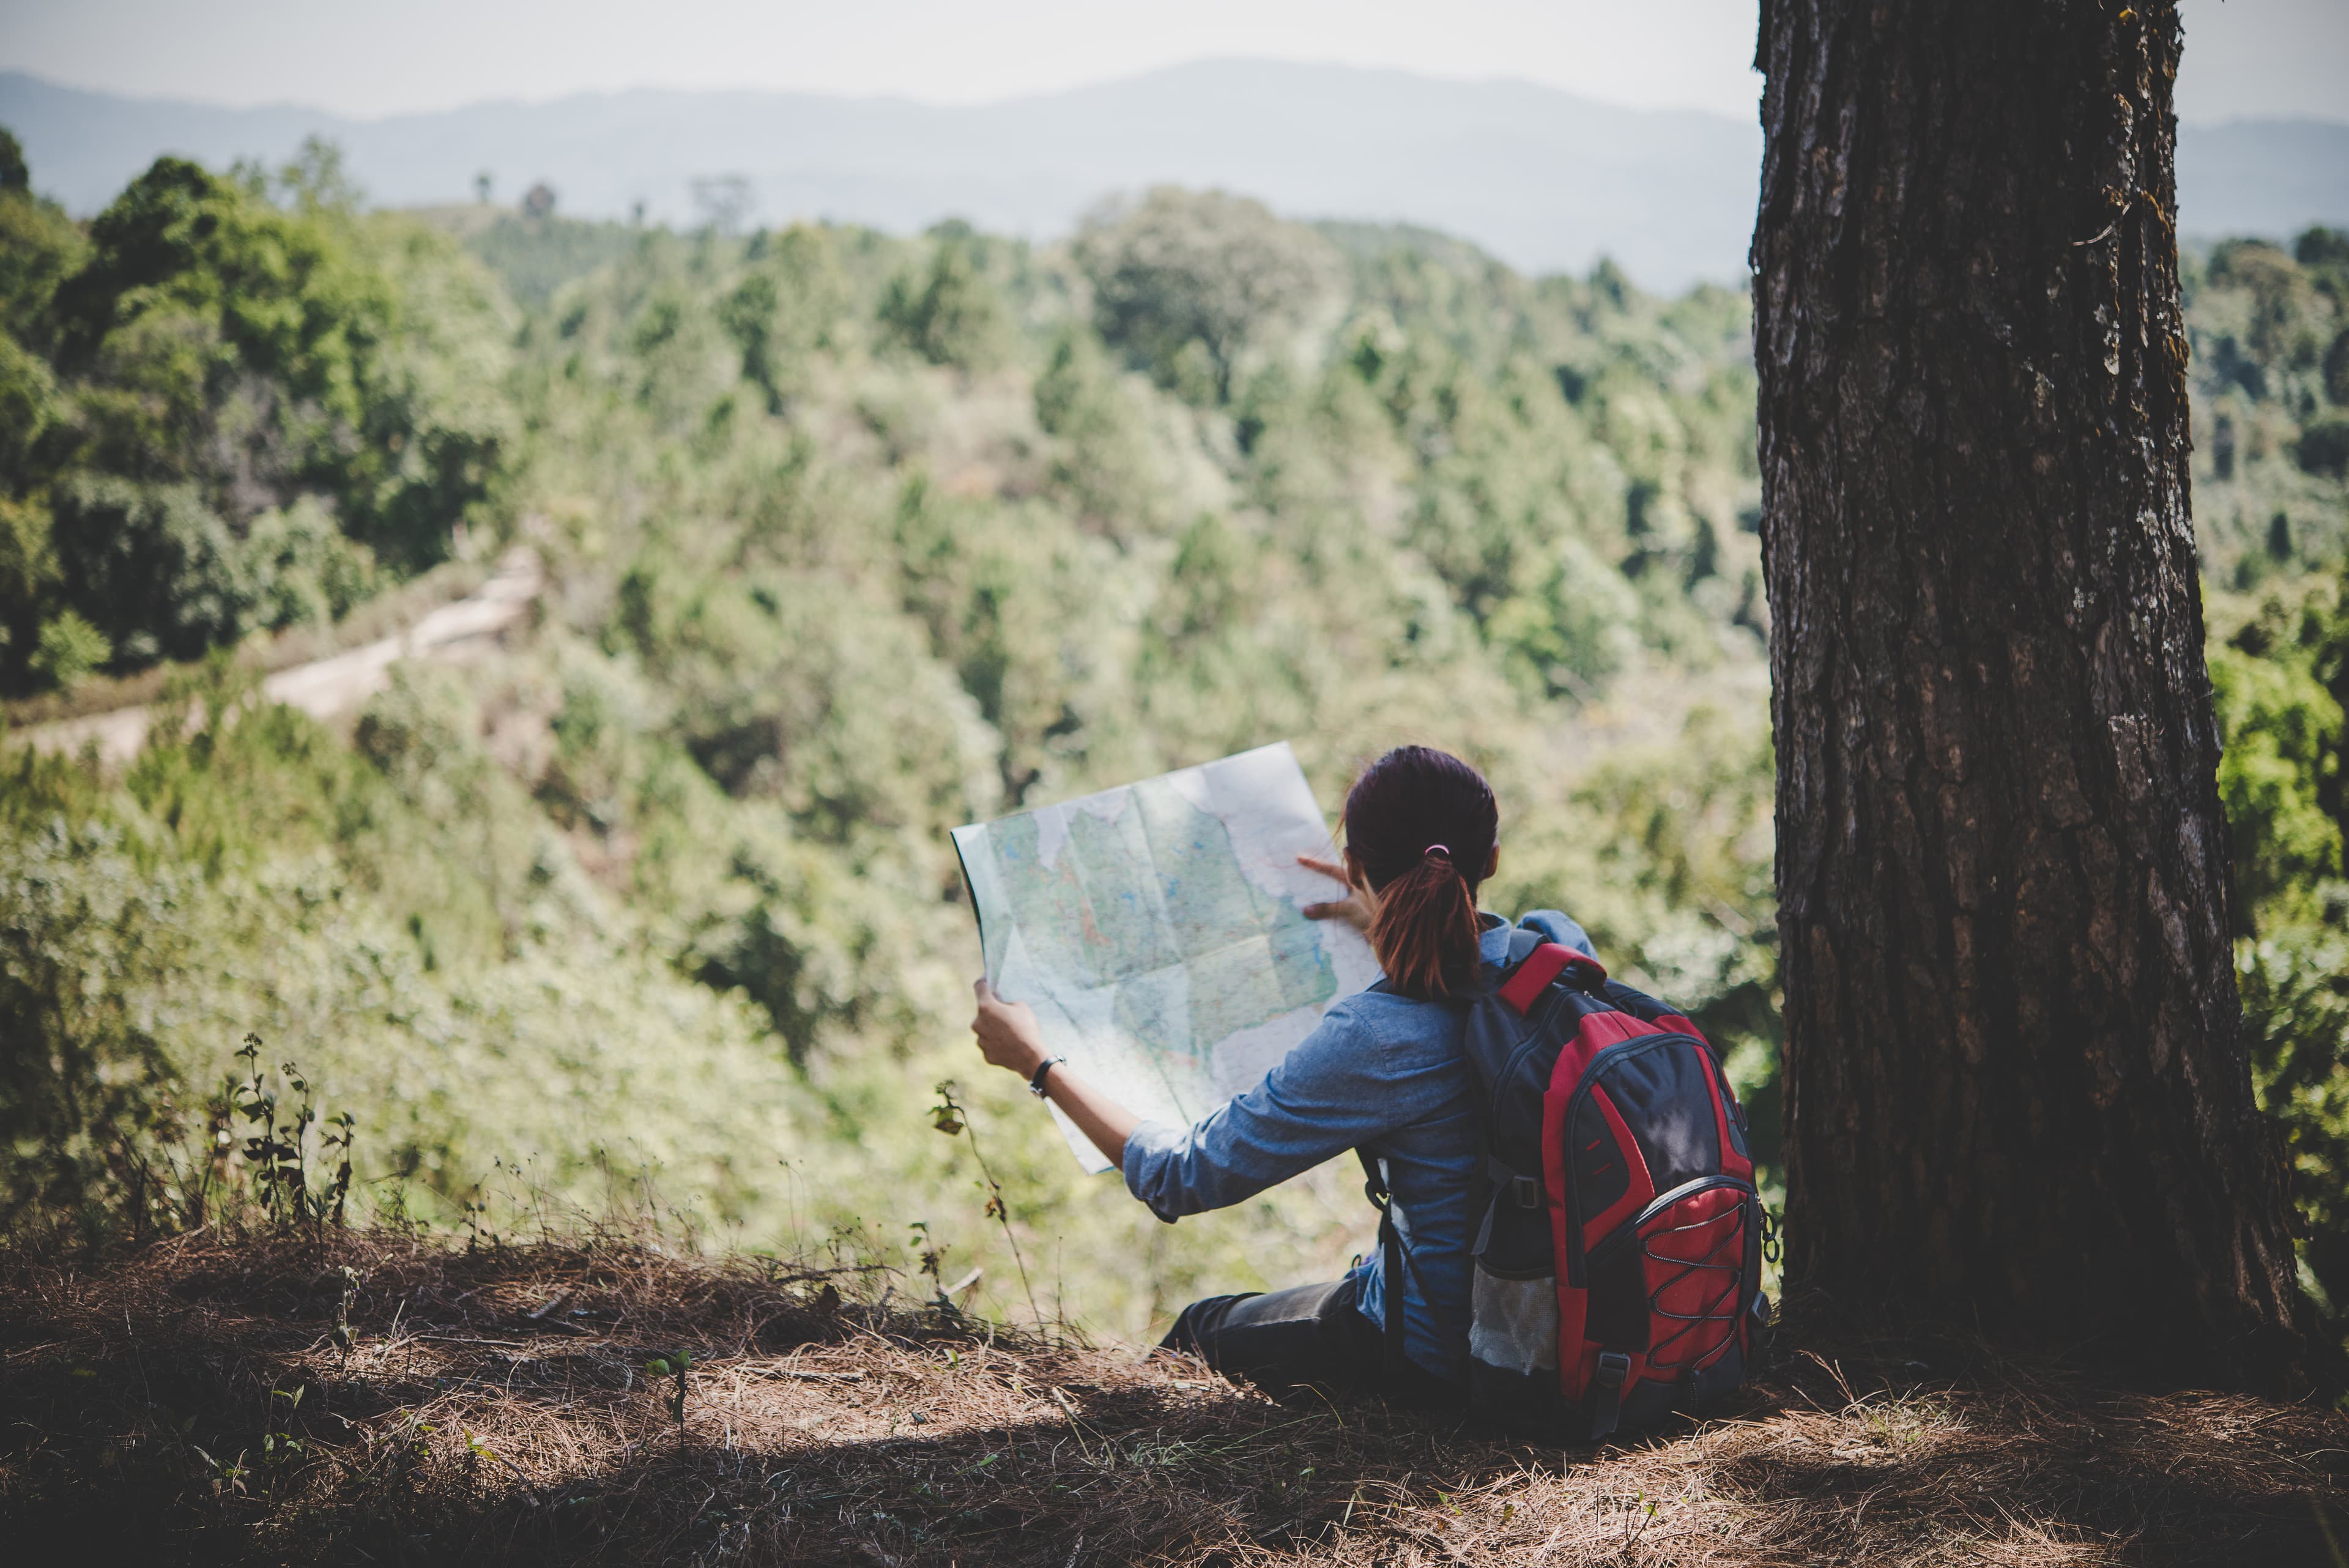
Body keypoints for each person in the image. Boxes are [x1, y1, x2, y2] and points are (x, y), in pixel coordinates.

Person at [967, 745, 1595, 1405]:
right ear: (1492, 858)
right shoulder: (1562, 952)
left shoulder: (1381, 1035)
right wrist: (1381, 922)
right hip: (1580, 1328)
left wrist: (1039, 1064)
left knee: (1197, 1331)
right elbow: (1473, 955)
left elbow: (1185, 1176)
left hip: (1448, 1357)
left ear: (1352, 867)